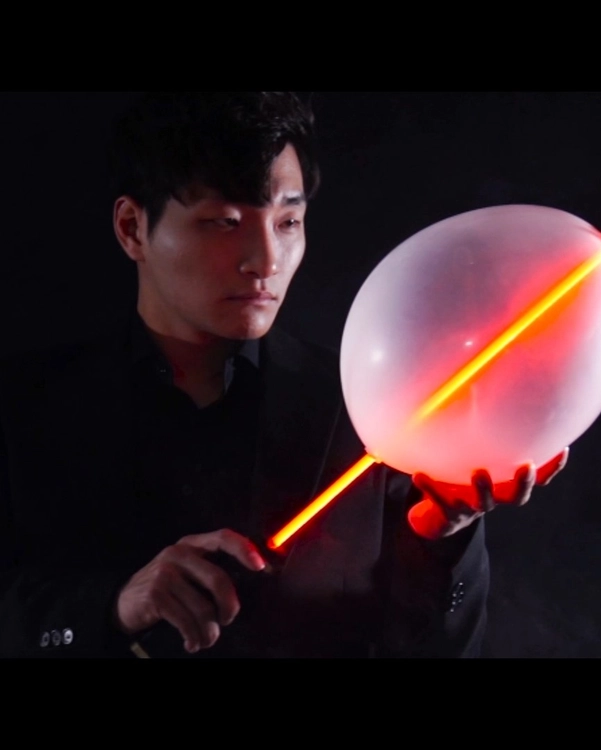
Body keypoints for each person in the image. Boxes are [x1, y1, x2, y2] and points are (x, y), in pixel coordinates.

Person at [0, 92, 567, 658]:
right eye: (224, 222)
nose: (267, 260)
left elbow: (440, 650)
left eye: (288, 221)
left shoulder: (370, 411)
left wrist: (440, 542)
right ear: (132, 228)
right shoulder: (25, 410)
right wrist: (114, 608)